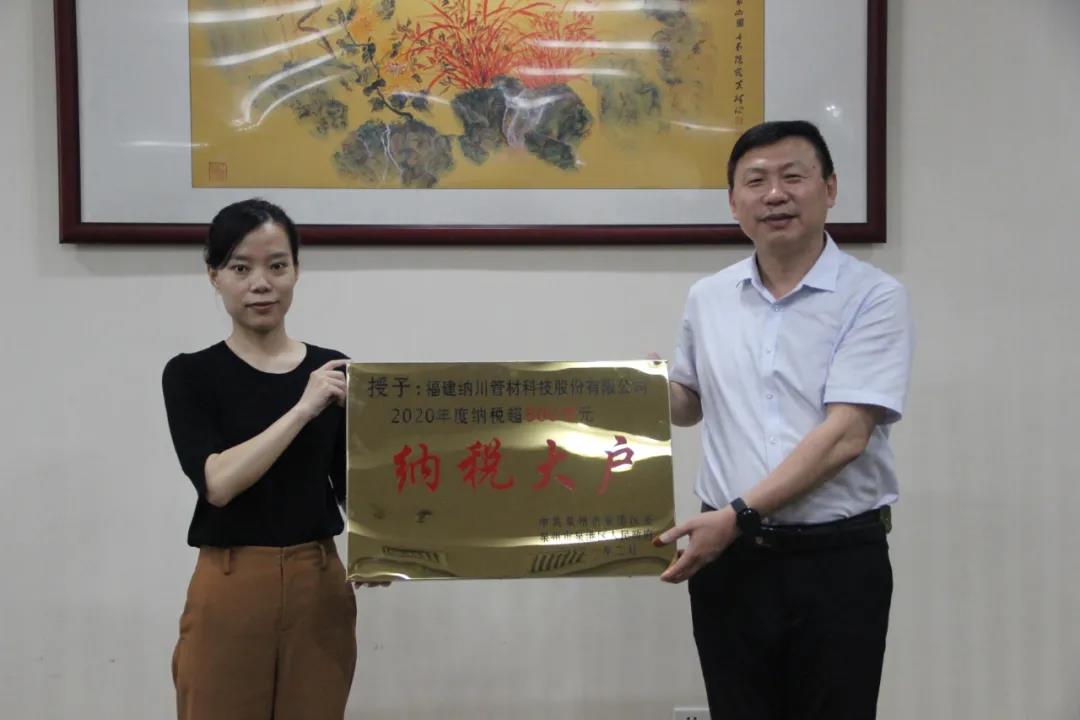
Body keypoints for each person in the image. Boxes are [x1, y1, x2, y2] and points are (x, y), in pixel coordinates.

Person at [654, 120, 914, 719]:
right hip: (729, 562)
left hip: (835, 561)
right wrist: (630, 388)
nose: (775, 194)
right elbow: (689, 403)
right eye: (756, 182)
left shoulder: (873, 297)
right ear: (733, 202)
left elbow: (846, 436)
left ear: (830, 189)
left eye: (793, 177)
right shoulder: (709, 296)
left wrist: (738, 515)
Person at [162, 199, 357, 720]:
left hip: (319, 580)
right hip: (231, 581)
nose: (261, 284)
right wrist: (302, 409)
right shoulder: (191, 374)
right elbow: (218, 483)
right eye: (240, 268)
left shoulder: (332, 370)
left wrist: (383, 549)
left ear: (296, 270)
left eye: (277, 265)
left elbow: (351, 486)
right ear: (214, 276)